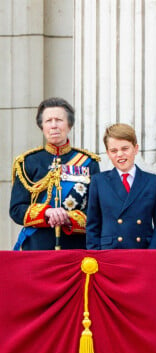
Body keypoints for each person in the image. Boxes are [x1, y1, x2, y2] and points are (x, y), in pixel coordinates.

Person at [10, 97, 101, 250]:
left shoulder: (89, 162)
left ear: (69, 125)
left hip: (76, 248)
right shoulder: (27, 162)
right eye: (48, 121)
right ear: (42, 126)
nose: (53, 125)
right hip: (37, 247)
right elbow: (16, 210)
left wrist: (68, 218)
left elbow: (97, 209)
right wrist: (47, 213)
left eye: (59, 120)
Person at [86, 123, 156, 249]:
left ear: (135, 149)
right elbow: (93, 225)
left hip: (142, 252)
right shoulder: (99, 181)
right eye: (114, 151)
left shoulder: (153, 182)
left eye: (125, 149)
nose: (119, 154)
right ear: (108, 153)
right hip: (109, 253)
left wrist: (152, 254)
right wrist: (96, 256)